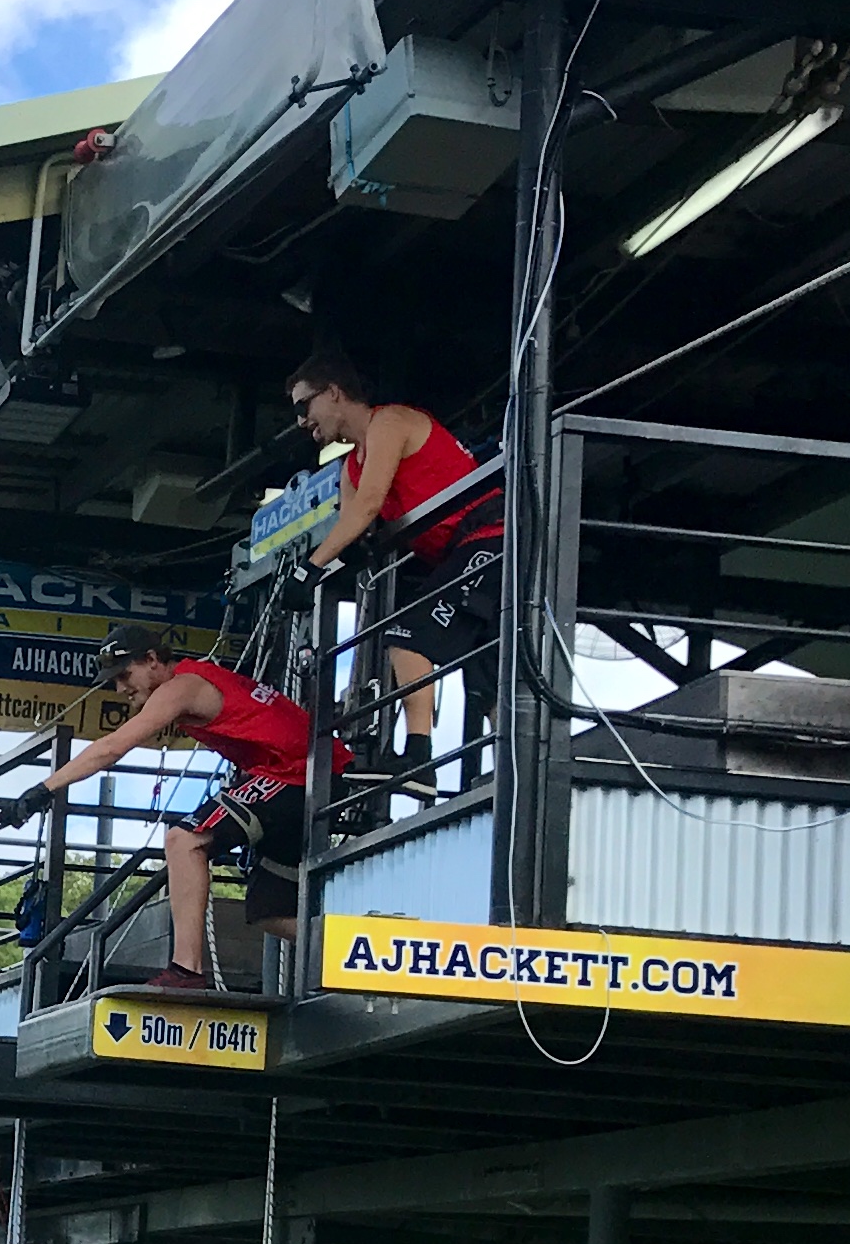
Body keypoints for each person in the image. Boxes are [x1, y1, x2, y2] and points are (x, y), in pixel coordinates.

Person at [30, 637, 322, 993]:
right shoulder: (197, 677)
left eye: (125, 675)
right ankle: (346, 945)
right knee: (268, 911)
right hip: (294, 770)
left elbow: (111, 747)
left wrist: (43, 790)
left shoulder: (181, 686)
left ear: (152, 659)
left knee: (184, 841)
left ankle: (187, 969)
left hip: (299, 771)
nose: (120, 688)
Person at [288, 344, 501, 777]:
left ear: (333, 393)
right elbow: (353, 527)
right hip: (463, 551)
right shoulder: (350, 466)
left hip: (491, 536)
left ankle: (419, 758)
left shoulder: (389, 422)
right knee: (486, 668)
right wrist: (335, 559)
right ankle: (507, 770)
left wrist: (307, 570)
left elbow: (368, 506)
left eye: (303, 406)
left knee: (408, 633)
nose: (301, 421)